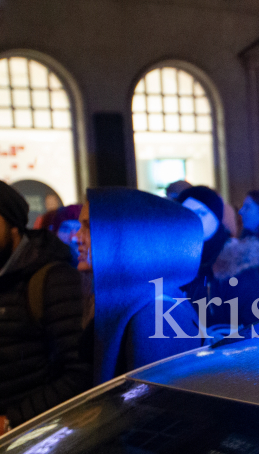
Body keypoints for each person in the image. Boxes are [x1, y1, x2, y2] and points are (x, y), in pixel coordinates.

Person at [80, 188, 203, 384]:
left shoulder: (155, 313)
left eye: (88, 227)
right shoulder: (132, 298)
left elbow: (152, 407)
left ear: (124, 234)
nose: (76, 237)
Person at [0, 182, 89, 433]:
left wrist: (11, 422)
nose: (77, 236)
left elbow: (79, 374)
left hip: (30, 443)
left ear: (13, 224)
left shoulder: (52, 278)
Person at [179, 186, 259, 328]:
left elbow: (255, 326)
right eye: (187, 215)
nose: (195, 220)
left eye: (201, 213)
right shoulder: (178, 264)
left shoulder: (238, 264)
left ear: (216, 217)